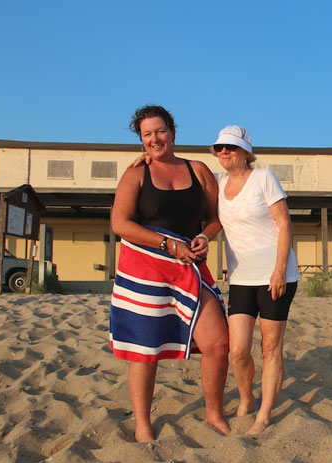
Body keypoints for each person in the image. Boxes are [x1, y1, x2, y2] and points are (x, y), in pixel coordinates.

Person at [110, 105, 230, 440]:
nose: (154, 139)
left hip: (190, 267)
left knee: (218, 342)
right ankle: (144, 425)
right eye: (147, 134)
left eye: (160, 131)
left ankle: (213, 413)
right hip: (145, 268)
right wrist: (166, 244)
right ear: (141, 140)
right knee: (145, 351)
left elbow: (216, 216)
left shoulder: (199, 170)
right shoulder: (135, 174)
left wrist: (206, 236)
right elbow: (120, 224)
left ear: (173, 132)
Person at [210, 125, 300, 435]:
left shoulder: (264, 178)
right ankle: (246, 397)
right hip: (241, 278)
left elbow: (284, 224)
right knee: (238, 349)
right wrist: (146, 160)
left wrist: (279, 270)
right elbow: (186, 172)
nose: (224, 152)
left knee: (270, 349)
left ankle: (263, 415)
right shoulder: (218, 184)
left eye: (231, 147)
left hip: (276, 275)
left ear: (247, 152)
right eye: (220, 148)